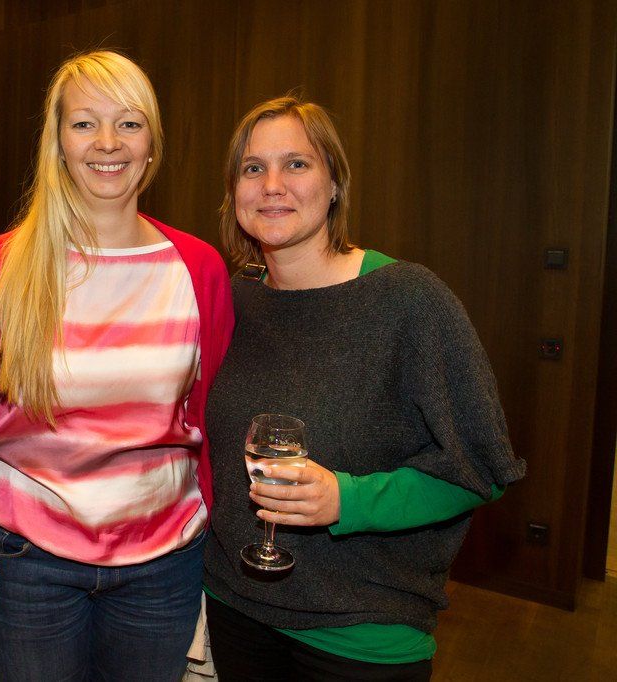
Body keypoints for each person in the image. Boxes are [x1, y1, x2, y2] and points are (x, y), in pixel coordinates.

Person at [202, 96, 527, 681]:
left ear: (334, 184)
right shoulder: (236, 298)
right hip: (234, 606)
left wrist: (346, 501)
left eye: (296, 164)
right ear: (234, 192)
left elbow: (481, 465)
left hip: (361, 631)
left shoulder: (408, 300)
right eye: (253, 168)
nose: (272, 185)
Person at [0, 50, 234, 681]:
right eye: (84, 123)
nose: (108, 142)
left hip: (164, 566)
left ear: (152, 142)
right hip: (25, 563)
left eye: (129, 123)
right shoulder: (0, 268)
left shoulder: (198, 270)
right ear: (57, 142)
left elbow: (215, 419)